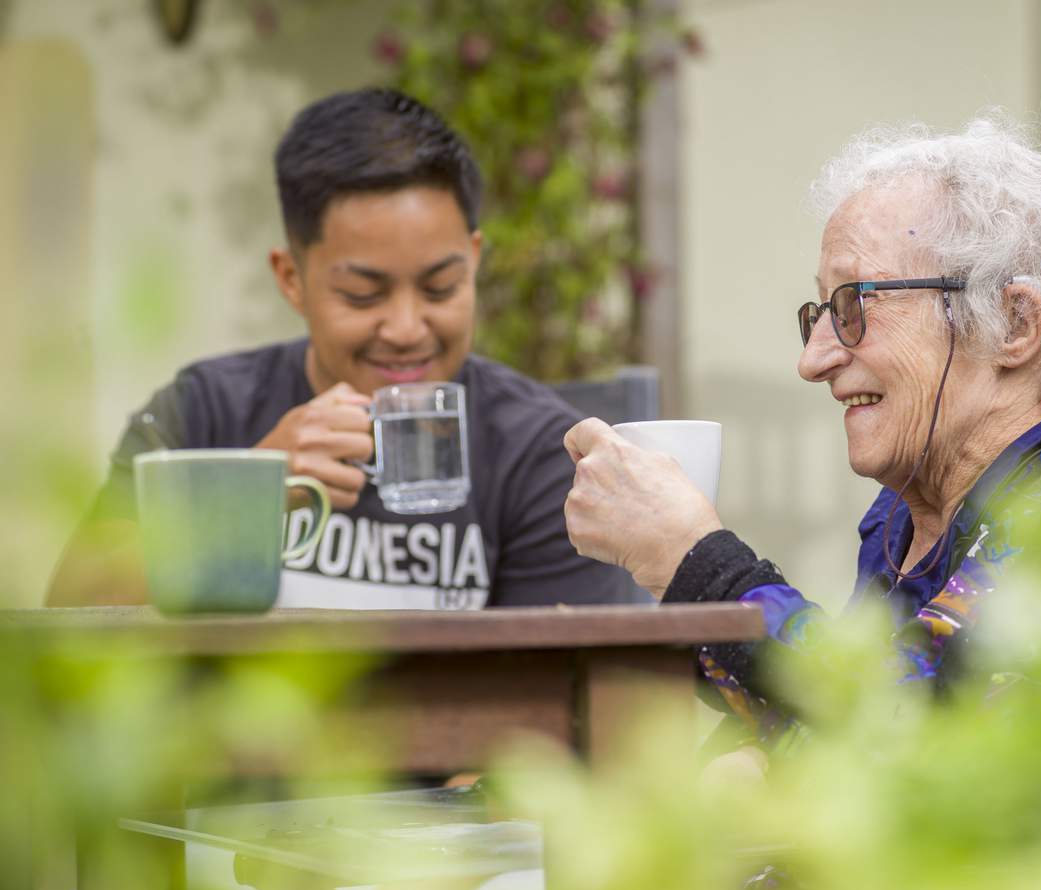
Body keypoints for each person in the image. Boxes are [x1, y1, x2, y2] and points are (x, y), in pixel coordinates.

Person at [562, 116, 1041, 744]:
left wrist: (691, 559)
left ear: (1014, 323)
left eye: (854, 304)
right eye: (820, 310)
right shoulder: (904, 519)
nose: (813, 358)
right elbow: (827, 726)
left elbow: (925, 741)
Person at [47, 88, 619, 610]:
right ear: (291, 278)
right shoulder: (204, 412)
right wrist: (249, 502)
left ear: (473, 260)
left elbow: (566, 694)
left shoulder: (543, 455)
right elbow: (66, 624)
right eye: (362, 293)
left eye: (439, 287)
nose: (404, 327)